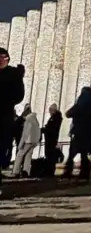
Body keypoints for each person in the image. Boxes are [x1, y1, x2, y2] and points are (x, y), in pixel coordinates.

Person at [0, 48, 25, 195]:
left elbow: (19, 95)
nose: (2, 60)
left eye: (5, 57)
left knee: (2, 148)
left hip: (4, 117)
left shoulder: (13, 74)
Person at [64, 86, 91, 180]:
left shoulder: (80, 103)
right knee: (84, 154)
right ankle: (84, 173)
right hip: (90, 134)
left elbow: (68, 113)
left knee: (72, 154)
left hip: (79, 132)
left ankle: (68, 171)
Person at [13, 105, 40, 178]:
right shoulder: (35, 119)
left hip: (28, 141)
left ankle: (16, 171)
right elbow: (38, 131)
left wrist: (20, 144)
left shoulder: (28, 119)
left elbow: (25, 133)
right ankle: (26, 171)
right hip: (34, 141)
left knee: (19, 155)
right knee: (28, 156)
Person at [42, 104, 63, 176]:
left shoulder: (55, 118)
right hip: (51, 139)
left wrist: (45, 129)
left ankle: (50, 171)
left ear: (53, 110)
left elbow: (52, 129)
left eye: (50, 110)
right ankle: (49, 170)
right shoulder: (55, 118)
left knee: (50, 155)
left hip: (51, 139)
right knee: (50, 155)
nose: (49, 112)